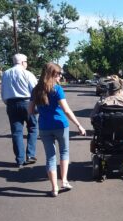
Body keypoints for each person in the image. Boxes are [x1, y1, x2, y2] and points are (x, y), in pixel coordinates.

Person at [28, 62, 86, 197]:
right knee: (64, 152)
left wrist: (43, 111)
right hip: (61, 125)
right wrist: (79, 125)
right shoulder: (57, 89)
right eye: (59, 74)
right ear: (53, 74)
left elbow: (30, 111)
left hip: (44, 127)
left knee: (50, 157)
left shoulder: (36, 90)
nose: (61, 76)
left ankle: (54, 189)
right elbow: (66, 110)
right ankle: (64, 181)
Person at [1, 53, 38, 168]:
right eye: (26, 62)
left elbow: (2, 92)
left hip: (11, 104)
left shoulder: (6, 74)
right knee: (32, 127)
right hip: (27, 102)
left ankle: (20, 160)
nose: (26, 64)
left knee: (16, 132)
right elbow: (35, 90)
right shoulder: (27, 74)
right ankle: (30, 155)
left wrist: (8, 103)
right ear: (22, 62)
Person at [90, 75, 123, 140]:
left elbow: (92, 117)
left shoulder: (101, 102)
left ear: (108, 91)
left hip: (105, 137)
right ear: (120, 90)